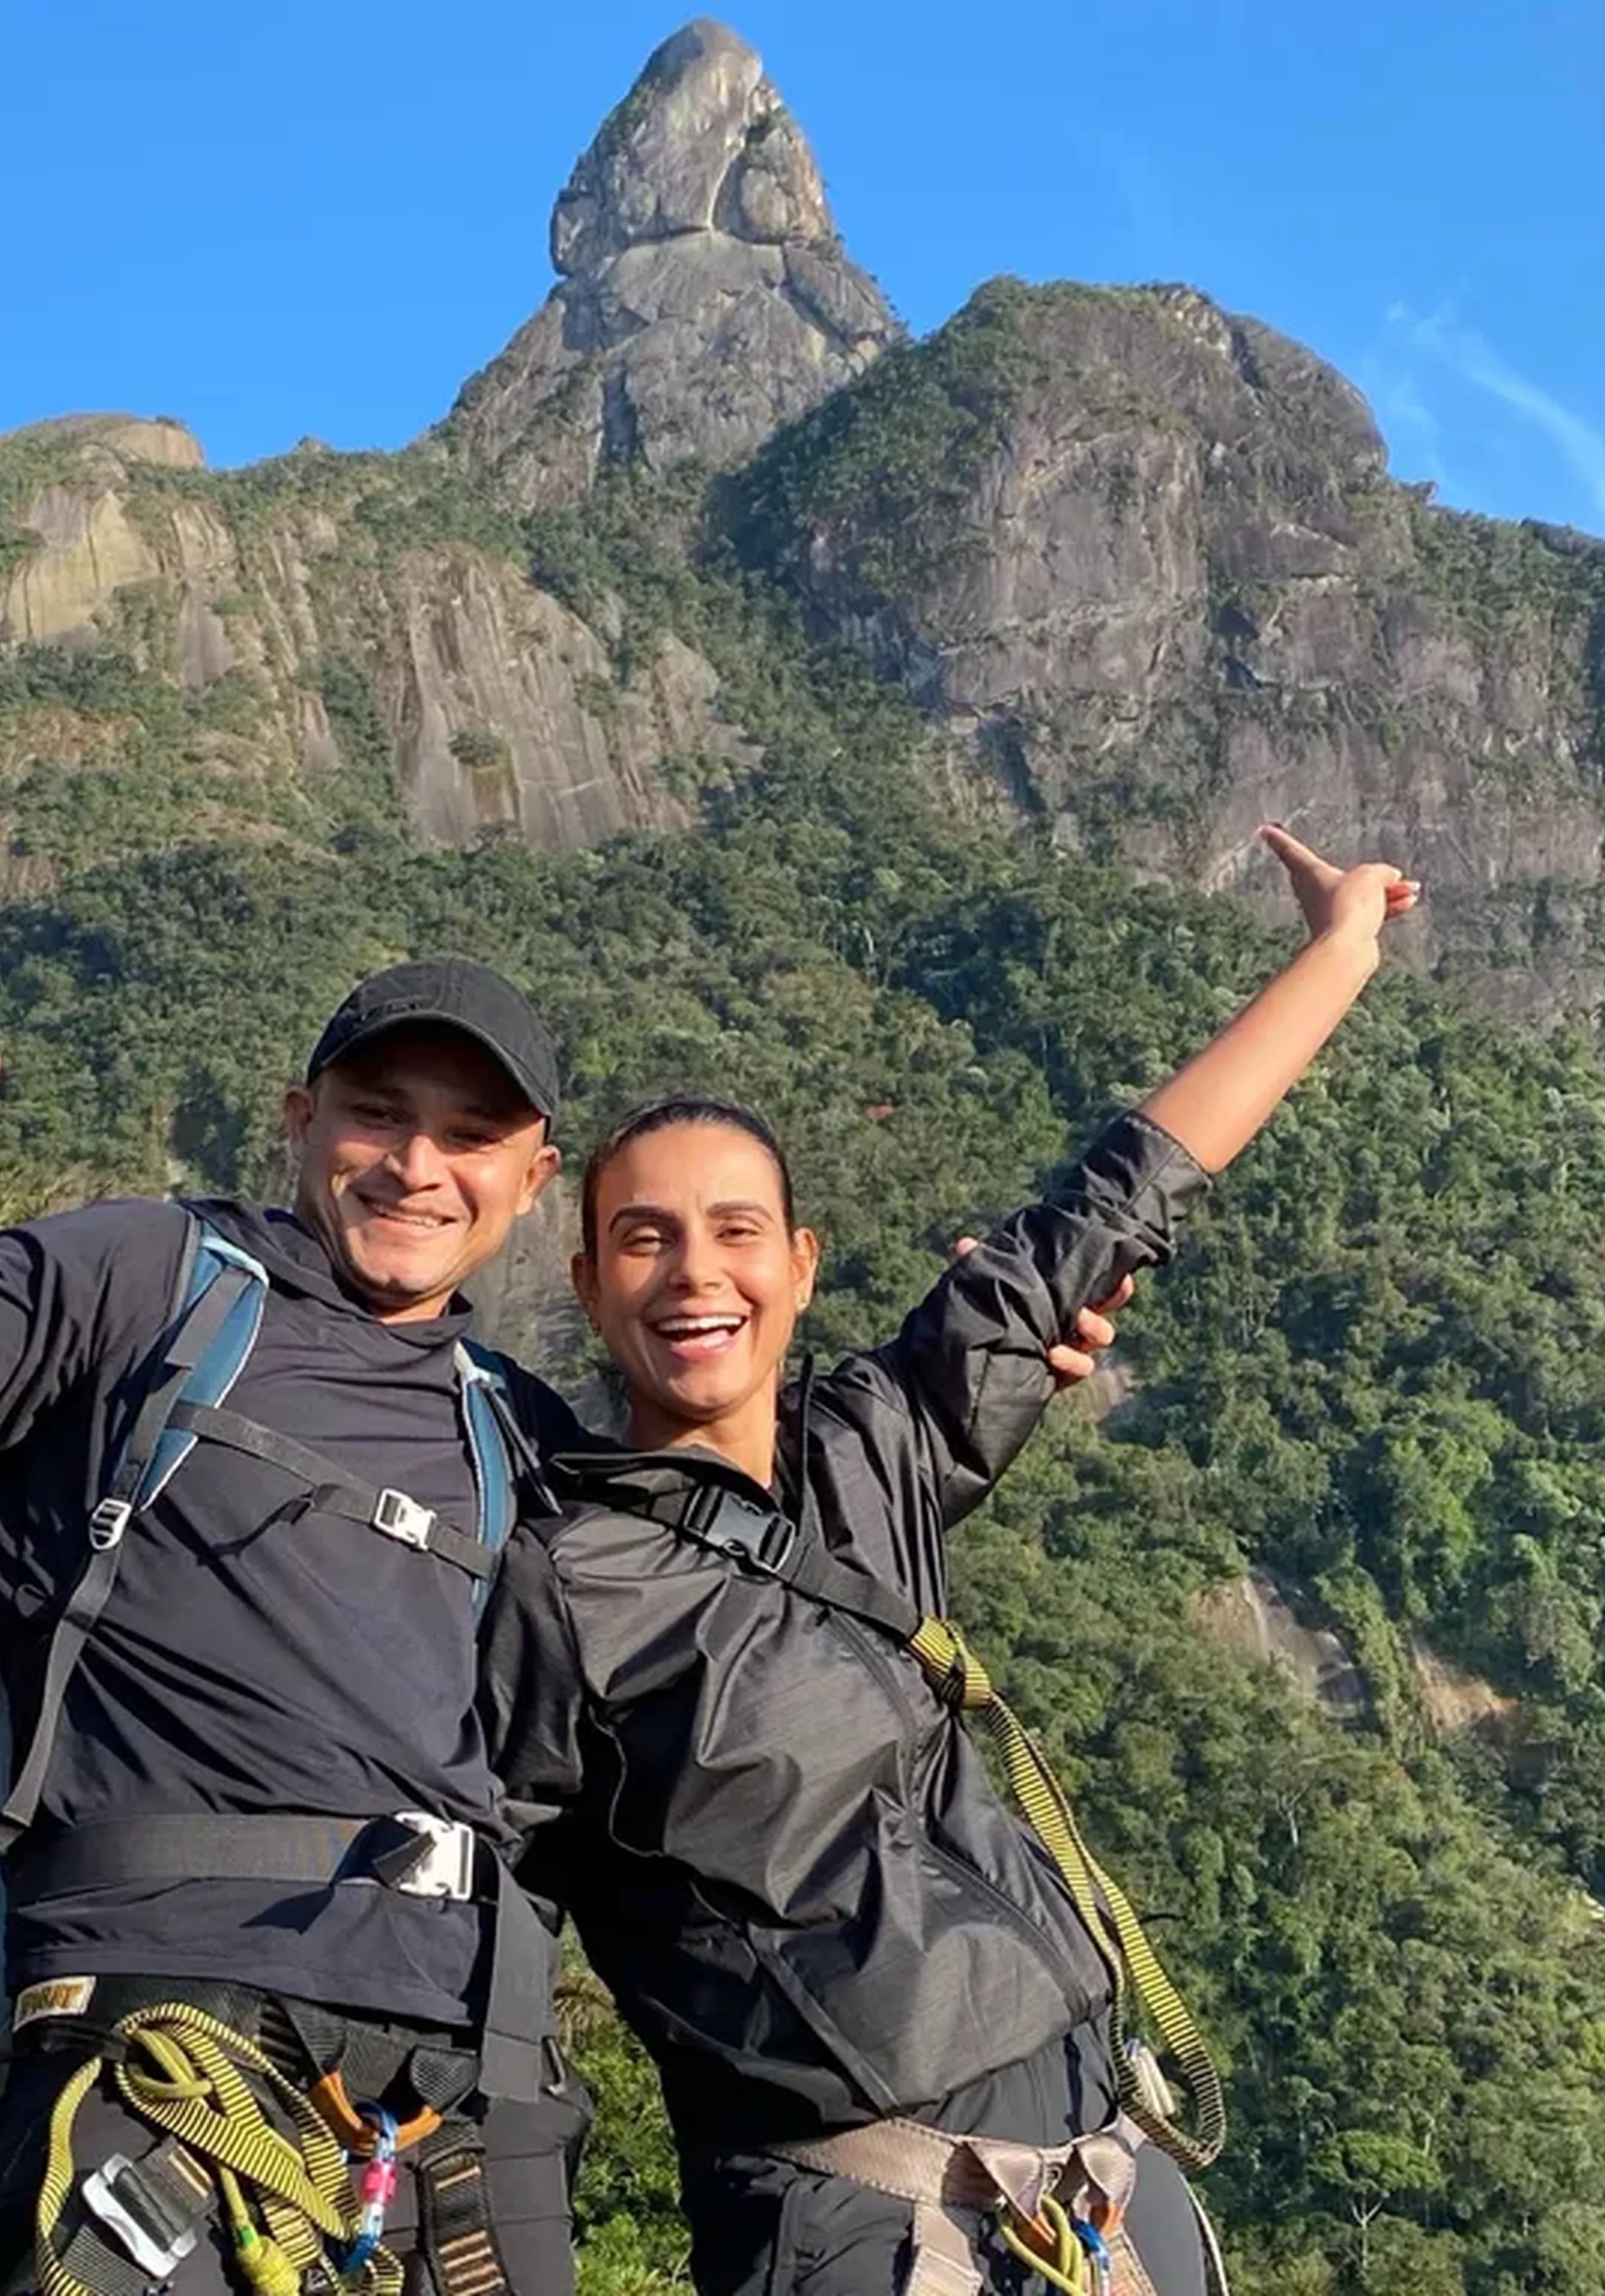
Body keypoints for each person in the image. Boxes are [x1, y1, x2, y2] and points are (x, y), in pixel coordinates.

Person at [478, 827, 1419, 2296]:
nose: (695, 1272)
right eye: (644, 1240)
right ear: (592, 1287)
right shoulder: (561, 1580)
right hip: (861, 2216)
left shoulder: (878, 1443)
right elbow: (482, 1911)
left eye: (736, 1231)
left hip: (1106, 2167)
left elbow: (1116, 1201)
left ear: (802, 1264)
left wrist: (1341, 950)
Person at [0, 958, 595, 2296]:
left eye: (470, 1137)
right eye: (378, 1114)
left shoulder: (523, 1432)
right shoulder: (147, 1277)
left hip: (466, 2089)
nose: (418, 1167)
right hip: (162, 2022)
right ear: (301, 1119)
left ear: (532, 1177)